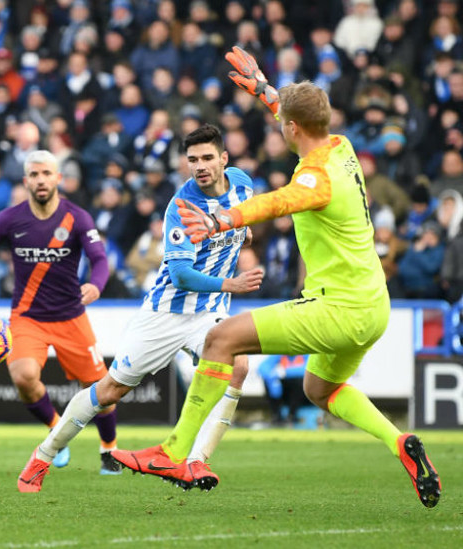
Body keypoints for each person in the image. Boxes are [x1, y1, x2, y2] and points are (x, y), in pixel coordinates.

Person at [115, 48, 441, 509]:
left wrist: (219, 220)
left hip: (337, 308)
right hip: (374, 306)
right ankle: (400, 442)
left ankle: (171, 452)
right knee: (318, 389)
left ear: (290, 129)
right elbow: (299, 122)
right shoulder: (341, 147)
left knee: (221, 340)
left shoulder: (314, 178)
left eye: (283, 122)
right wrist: (269, 92)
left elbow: (277, 202)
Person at [16, 125, 263, 493]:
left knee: (238, 367)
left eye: (208, 158)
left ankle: (193, 462)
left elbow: (245, 215)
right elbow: (181, 275)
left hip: (209, 314)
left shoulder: (242, 183)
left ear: (224, 159)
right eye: (192, 160)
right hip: (165, 313)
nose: (200, 166)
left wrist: (245, 230)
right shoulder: (180, 207)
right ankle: (43, 455)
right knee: (111, 390)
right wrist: (231, 283)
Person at [0, 150, 119, 476]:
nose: (40, 180)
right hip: (27, 317)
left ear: (58, 179)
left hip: (70, 316)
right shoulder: (10, 218)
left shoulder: (77, 217)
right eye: (34, 175)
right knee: (23, 377)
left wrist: (96, 284)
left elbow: (100, 259)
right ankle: (56, 431)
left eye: (46, 174)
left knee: (102, 392)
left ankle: (109, 450)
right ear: (26, 181)